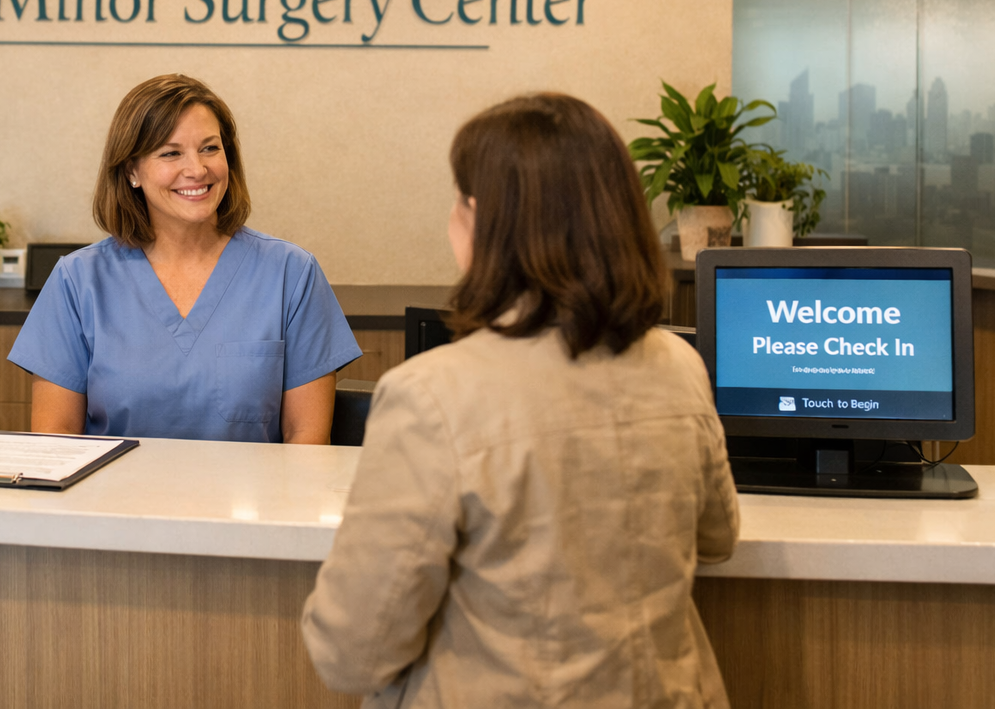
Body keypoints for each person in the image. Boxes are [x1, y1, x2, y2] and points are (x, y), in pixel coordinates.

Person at [301, 93, 740, 707]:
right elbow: (717, 539)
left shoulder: (432, 396)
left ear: (481, 220)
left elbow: (352, 652)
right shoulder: (679, 366)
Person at [9, 74, 363, 443]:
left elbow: (306, 439)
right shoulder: (77, 280)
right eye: (171, 153)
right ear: (131, 171)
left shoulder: (292, 274)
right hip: (115, 485)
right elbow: (57, 438)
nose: (197, 169)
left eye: (210, 148)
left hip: (256, 485)